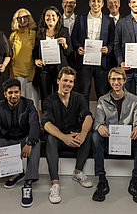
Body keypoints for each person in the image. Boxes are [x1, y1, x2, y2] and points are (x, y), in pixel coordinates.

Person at [92, 67, 137, 203]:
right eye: (113, 79)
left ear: (124, 80)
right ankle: (101, 179)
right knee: (94, 136)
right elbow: (97, 122)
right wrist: (100, 126)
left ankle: (135, 181)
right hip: (109, 139)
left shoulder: (133, 99)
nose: (116, 82)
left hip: (128, 140)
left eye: (119, 79)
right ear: (109, 81)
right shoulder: (102, 100)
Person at [42, 66, 93, 204]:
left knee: (88, 133)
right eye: (65, 80)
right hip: (59, 138)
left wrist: (82, 133)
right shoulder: (49, 101)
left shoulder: (79, 98)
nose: (68, 84)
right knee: (50, 138)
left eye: (71, 82)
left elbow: (88, 116)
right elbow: (46, 124)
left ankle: (78, 173)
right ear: (58, 81)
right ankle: (55, 183)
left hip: (75, 137)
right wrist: (63, 137)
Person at [0, 78, 41, 208]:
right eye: (10, 93)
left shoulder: (28, 104)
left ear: (20, 92)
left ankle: (28, 182)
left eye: (16, 92)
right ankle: (17, 173)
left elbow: (35, 124)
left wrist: (29, 143)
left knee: (36, 143)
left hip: (24, 138)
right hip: (8, 138)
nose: (13, 95)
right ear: (5, 94)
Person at [71, 0, 115, 106]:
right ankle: (85, 118)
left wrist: (108, 49)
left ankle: (101, 119)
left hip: (102, 61)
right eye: (93, 1)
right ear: (89, 3)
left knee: (102, 93)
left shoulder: (109, 21)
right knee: (84, 93)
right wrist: (78, 47)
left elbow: (113, 40)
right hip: (84, 61)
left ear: (102, 4)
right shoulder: (80, 19)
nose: (96, 4)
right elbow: (74, 38)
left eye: (99, 1)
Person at [33, 6, 73, 101]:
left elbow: (70, 51)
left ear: (58, 17)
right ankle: (47, 116)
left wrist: (65, 45)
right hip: (44, 70)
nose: (50, 18)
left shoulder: (64, 31)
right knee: (45, 98)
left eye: (53, 15)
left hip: (59, 70)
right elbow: (35, 49)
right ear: (44, 18)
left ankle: (58, 116)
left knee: (59, 98)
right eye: (47, 15)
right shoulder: (39, 32)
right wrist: (36, 60)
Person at [9, 8, 39, 111]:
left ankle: (35, 124)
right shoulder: (13, 36)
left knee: (33, 101)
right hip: (17, 72)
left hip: (31, 72)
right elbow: (10, 55)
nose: (22, 20)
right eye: (19, 18)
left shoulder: (34, 34)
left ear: (29, 19)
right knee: (19, 102)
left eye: (25, 17)